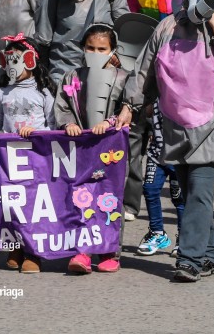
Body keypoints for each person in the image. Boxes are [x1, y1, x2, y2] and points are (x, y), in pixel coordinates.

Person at [120, 0, 214, 282]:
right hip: (174, 127)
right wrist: (130, 105)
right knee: (188, 190)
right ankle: (210, 253)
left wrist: (213, 22)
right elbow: (145, 71)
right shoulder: (167, 26)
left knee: (199, 191)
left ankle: (190, 258)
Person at [54, 24, 130, 274]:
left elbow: (129, 108)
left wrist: (111, 123)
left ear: (112, 51)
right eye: (90, 48)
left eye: (102, 49)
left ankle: (110, 251)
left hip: (111, 151)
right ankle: (82, 250)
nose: (95, 53)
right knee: (81, 197)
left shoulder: (123, 78)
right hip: (82, 149)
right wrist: (69, 123)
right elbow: (62, 106)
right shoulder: (72, 77)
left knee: (110, 198)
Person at [0, 34, 55, 273]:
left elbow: (53, 125)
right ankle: (16, 246)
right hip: (9, 157)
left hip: (35, 157)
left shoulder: (43, 92)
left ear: (31, 60)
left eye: (18, 59)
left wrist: (36, 132)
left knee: (32, 204)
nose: (13, 65)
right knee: (11, 203)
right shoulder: (3, 92)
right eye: (9, 59)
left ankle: (33, 253)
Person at [136, 101, 184, 256]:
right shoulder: (158, 87)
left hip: (180, 156)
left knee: (180, 198)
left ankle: (183, 238)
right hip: (156, 153)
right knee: (149, 189)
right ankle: (157, 233)